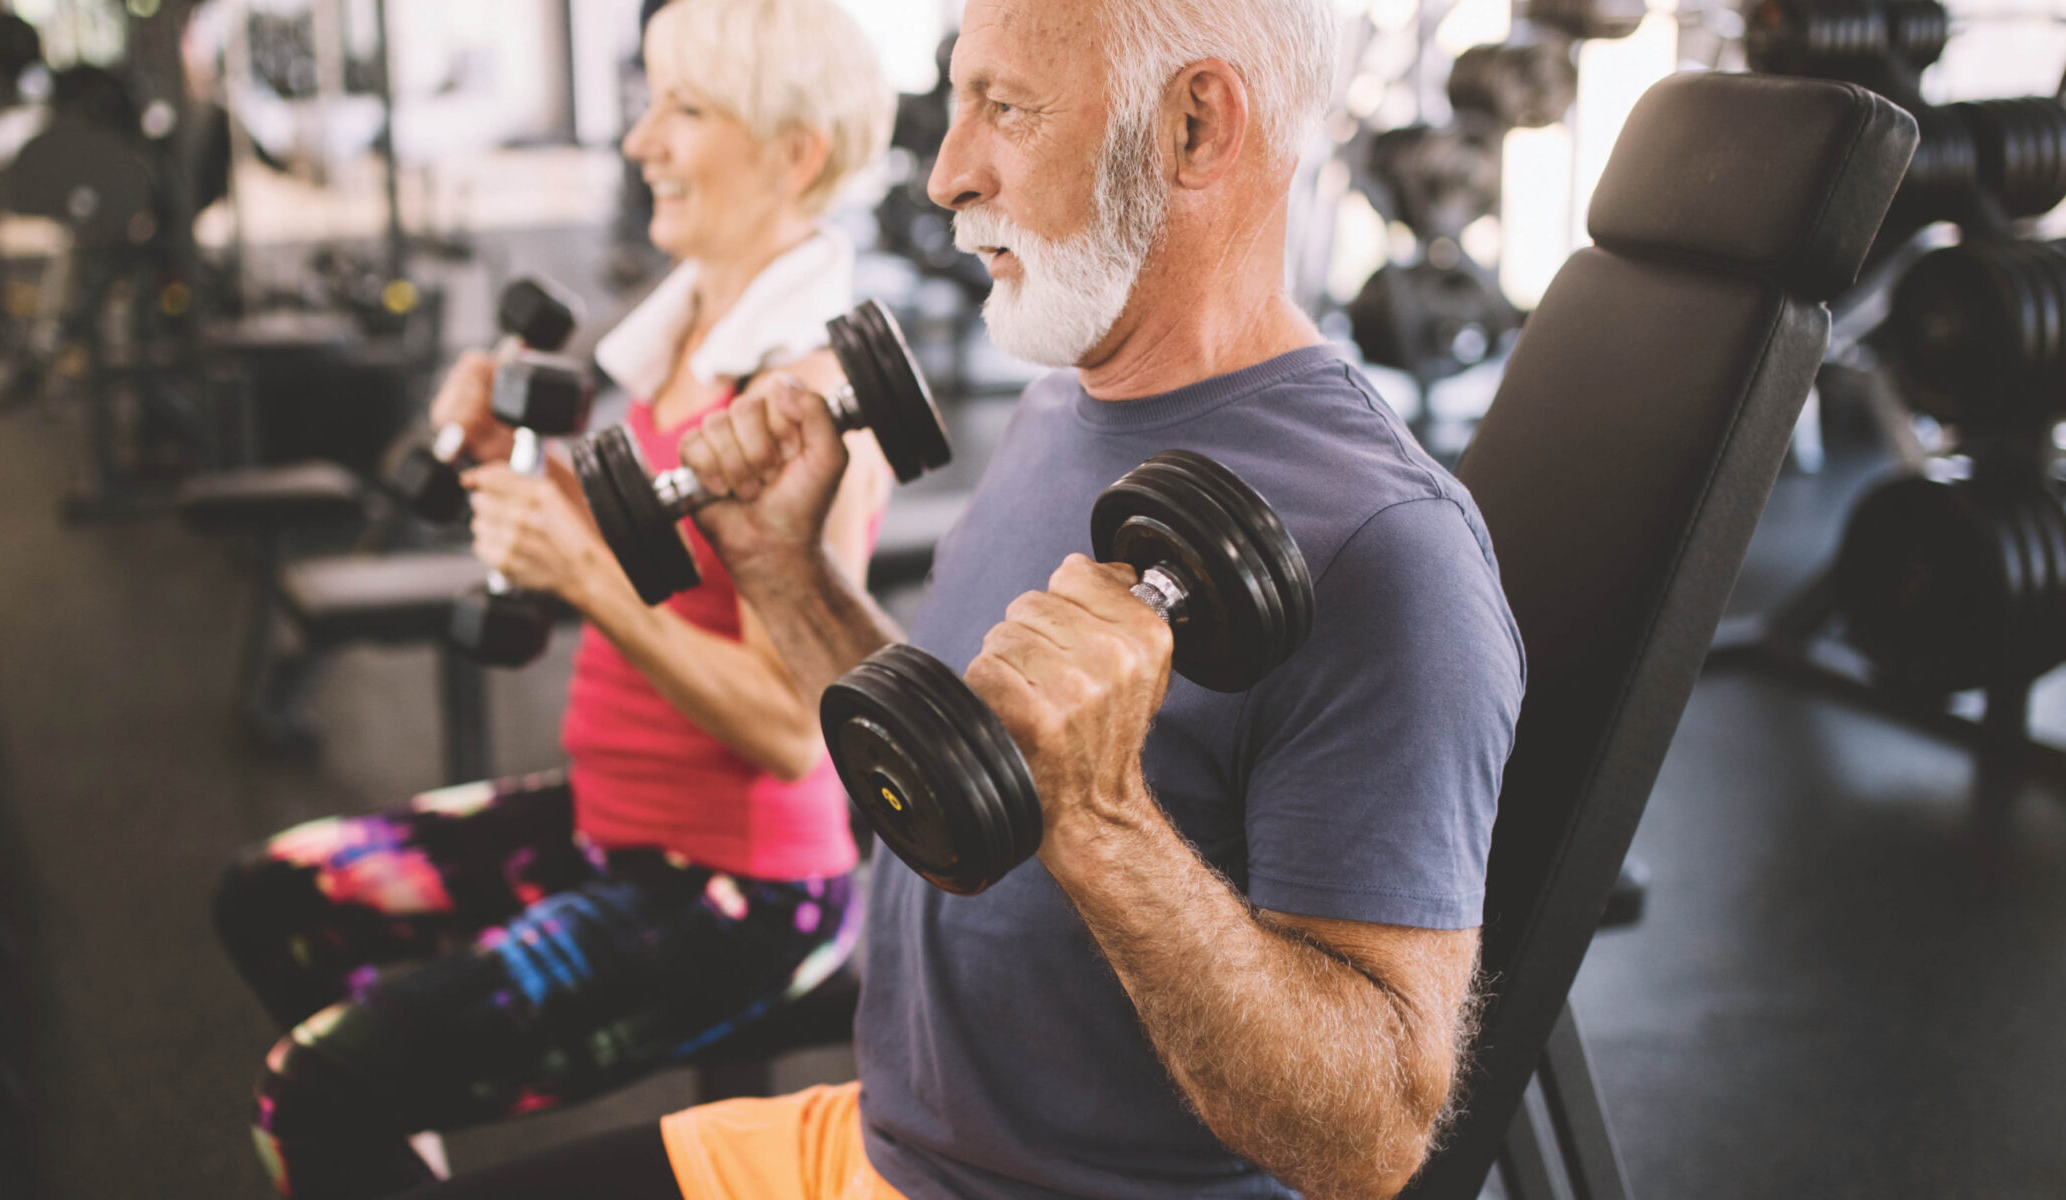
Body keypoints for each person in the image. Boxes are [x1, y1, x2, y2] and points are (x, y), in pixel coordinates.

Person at [405, 0, 1525, 1197]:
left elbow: (1373, 1139)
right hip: (876, 1138)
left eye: (1007, 107)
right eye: (955, 100)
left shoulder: (1389, 551)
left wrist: (1103, 822)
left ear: (1196, 127)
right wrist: (783, 570)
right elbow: (961, 768)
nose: (945, 173)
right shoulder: (1067, 403)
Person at [208, 1, 896, 1195]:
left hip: (741, 890)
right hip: (614, 816)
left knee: (315, 1092)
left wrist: (580, 571)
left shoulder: (810, 397)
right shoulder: (688, 330)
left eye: (683, 110)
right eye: (649, 102)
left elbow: (796, 731)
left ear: (794, 155)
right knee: (271, 899)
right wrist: (526, 469)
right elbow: (668, 545)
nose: (641, 143)